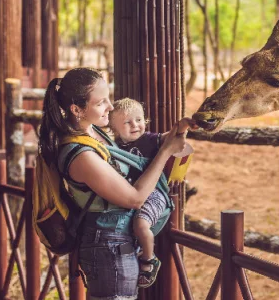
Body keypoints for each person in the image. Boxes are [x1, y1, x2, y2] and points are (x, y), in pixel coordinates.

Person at [37, 67, 187, 299]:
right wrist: (166, 152)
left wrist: (172, 134)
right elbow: (135, 198)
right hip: (108, 246)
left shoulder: (93, 131)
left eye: (109, 98)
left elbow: (133, 143)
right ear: (77, 109)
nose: (110, 106)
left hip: (118, 239)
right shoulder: (80, 154)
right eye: (100, 103)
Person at [108, 98, 196, 287]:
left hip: (154, 193)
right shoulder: (113, 147)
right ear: (114, 128)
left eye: (139, 120)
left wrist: (183, 125)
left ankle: (149, 259)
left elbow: (171, 136)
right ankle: (135, 251)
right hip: (129, 194)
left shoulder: (149, 140)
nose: (135, 125)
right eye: (127, 122)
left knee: (140, 225)